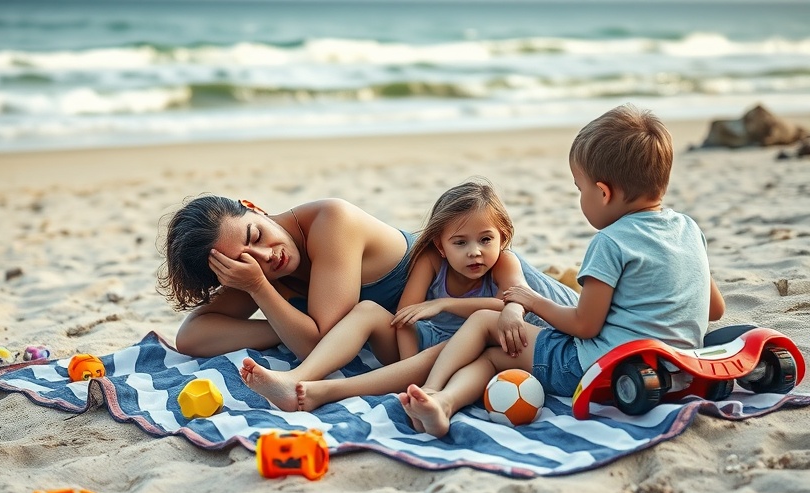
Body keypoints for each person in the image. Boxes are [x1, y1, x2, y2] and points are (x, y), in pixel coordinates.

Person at [400, 104, 726, 437]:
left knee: (488, 336)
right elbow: (715, 309)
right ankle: (439, 399)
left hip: (598, 366)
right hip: (679, 361)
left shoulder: (610, 242)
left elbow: (584, 326)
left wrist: (532, 300)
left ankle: (436, 394)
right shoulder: (688, 227)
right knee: (499, 349)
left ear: (603, 192)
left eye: (580, 189)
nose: (580, 197)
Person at [240, 179, 531, 411]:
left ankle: (320, 392)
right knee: (367, 310)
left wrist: (444, 303)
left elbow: (516, 303)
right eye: (460, 242)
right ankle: (296, 377)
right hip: (426, 343)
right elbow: (404, 319)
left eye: (486, 239)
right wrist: (408, 364)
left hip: (473, 345)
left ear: (502, 237)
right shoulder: (430, 259)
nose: (474, 252)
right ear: (441, 246)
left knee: (445, 349)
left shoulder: (504, 262)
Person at [159, 196, 415, 358]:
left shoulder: (332, 220)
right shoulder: (252, 273)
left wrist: (260, 289)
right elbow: (191, 338)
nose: (266, 256)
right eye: (242, 261)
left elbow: (322, 349)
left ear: (253, 208)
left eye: (256, 235)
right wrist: (287, 326)